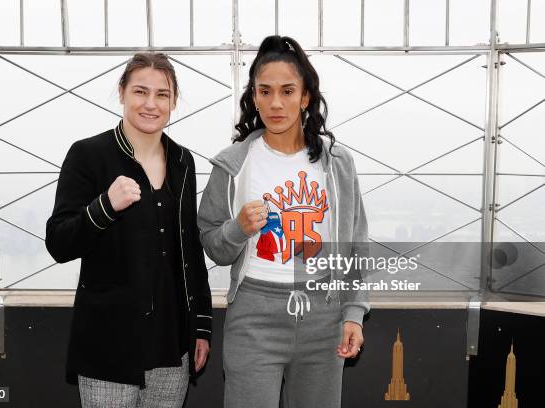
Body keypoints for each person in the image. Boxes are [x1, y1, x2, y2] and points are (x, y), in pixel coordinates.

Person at [197, 35, 369, 408]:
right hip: (253, 317)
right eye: (265, 91)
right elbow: (211, 243)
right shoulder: (232, 164)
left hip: (325, 317)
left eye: (288, 91)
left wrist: (353, 312)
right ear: (254, 97)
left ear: (306, 97)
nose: (276, 103)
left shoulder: (337, 163)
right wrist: (238, 228)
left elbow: (354, 244)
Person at [45, 53, 212, 408]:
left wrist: (201, 326)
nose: (151, 104)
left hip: (172, 346)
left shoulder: (183, 161)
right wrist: (105, 205)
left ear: (174, 101)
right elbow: (59, 242)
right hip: (108, 346)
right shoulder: (88, 154)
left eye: (162, 95)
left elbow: (190, 249)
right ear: (121, 93)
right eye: (140, 91)